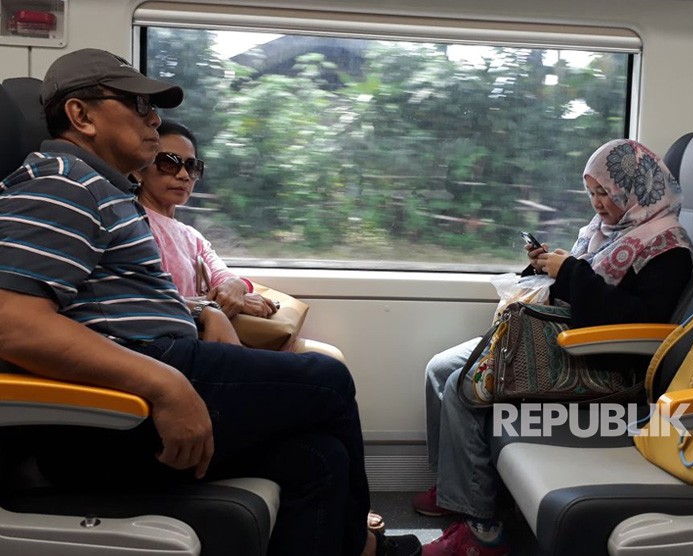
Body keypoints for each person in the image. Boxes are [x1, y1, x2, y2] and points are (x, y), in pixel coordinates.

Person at [0, 48, 417, 556]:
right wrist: (168, 384)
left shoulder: (105, 192)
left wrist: (203, 314)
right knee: (327, 381)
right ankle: (364, 549)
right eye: (136, 104)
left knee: (318, 457)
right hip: (111, 413)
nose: (153, 119)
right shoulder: (61, 182)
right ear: (80, 115)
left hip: (147, 377)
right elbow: (12, 323)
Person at [414, 139, 693, 556]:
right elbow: (579, 285)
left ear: (634, 190)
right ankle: (457, 488)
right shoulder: (608, 232)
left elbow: (640, 320)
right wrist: (546, 266)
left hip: (605, 361)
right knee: (439, 368)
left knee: (461, 384)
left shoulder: (667, 248)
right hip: (563, 339)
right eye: (592, 193)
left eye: (606, 193)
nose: (598, 204)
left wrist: (572, 273)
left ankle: (481, 531)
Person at [132, 119, 346, 362]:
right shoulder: (134, 224)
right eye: (168, 163)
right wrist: (221, 306)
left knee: (329, 355)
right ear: (140, 168)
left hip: (206, 332)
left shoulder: (192, 236)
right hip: (176, 345)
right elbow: (146, 300)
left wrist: (236, 288)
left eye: (191, 166)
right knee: (327, 365)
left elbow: (226, 278)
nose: (183, 175)